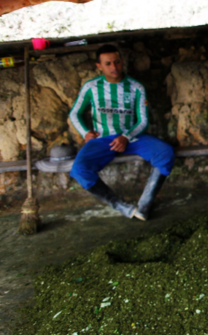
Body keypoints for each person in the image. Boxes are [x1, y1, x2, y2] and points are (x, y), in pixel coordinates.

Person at [68, 44, 175, 220]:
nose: (114, 67)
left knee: (165, 153)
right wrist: (85, 133)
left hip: (132, 137)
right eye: (108, 63)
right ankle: (122, 206)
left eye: (117, 62)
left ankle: (144, 205)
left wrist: (126, 136)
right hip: (102, 139)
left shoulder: (136, 87)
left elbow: (143, 120)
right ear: (99, 66)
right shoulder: (91, 87)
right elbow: (75, 113)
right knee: (80, 170)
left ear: (122, 62)